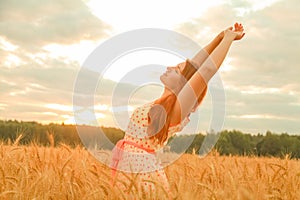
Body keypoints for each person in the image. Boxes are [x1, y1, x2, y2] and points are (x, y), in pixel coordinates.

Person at [110, 23, 245, 198]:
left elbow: (206, 70)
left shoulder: (177, 108)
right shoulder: (162, 103)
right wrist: (218, 38)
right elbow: (195, 64)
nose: (169, 67)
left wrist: (228, 40)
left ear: (184, 84)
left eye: (176, 70)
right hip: (128, 169)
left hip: (142, 175)